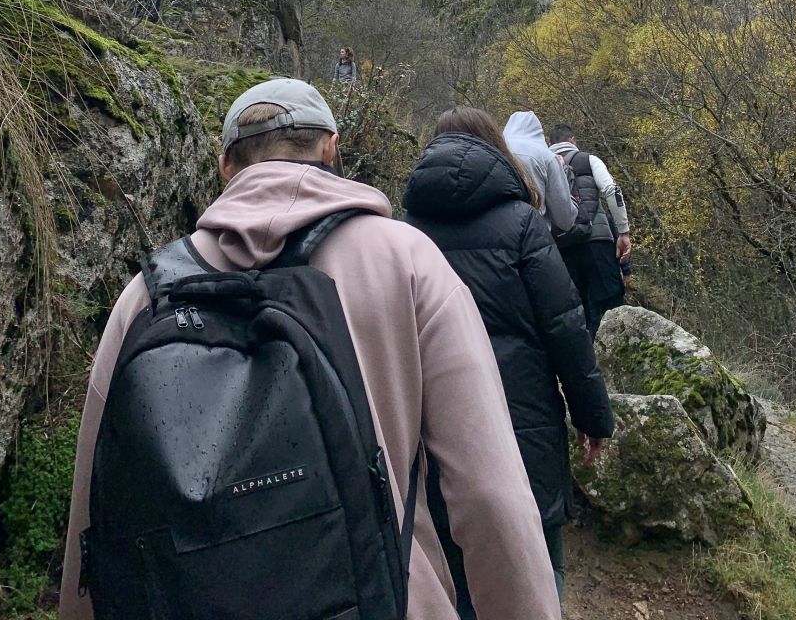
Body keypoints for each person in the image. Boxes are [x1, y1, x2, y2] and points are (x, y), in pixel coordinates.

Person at [59, 79, 561, 620]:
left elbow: (95, 513)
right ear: (331, 147)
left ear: (227, 165)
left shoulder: (147, 295)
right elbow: (491, 497)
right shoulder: (406, 259)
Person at [404, 107, 614, 613]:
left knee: (456, 567)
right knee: (541, 555)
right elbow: (565, 328)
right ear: (494, 149)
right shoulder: (522, 223)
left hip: (435, 428)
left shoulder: (402, 231)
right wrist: (592, 416)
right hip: (523, 418)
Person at [548, 123, 632, 338]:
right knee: (611, 310)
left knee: (579, 315)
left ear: (551, 143)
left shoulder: (543, 165)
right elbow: (612, 190)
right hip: (598, 243)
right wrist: (623, 232)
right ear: (573, 140)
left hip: (562, 250)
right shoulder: (588, 159)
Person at [503, 109, 577, 235]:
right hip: (533, 237)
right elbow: (565, 219)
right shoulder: (547, 157)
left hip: (493, 238)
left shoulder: (491, 150)